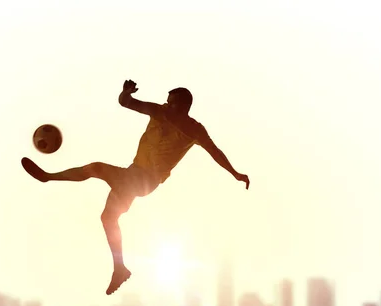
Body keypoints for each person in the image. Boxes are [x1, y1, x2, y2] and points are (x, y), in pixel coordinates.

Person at [21, 79, 250, 295]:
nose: (166, 104)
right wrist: (126, 92)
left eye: (171, 102)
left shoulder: (194, 130)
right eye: (166, 101)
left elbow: (216, 153)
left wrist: (236, 174)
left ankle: (47, 177)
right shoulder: (158, 112)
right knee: (107, 218)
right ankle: (120, 268)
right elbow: (125, 103)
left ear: (183, 107)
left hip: (146, 180)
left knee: (97, 168)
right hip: (132, 173)